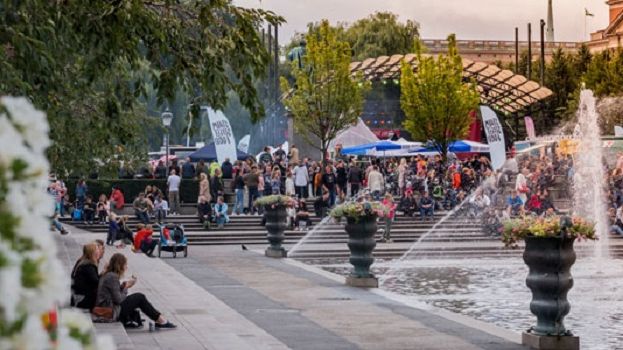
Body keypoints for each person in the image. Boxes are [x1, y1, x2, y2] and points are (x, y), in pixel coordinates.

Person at [96, 253, 176, 329]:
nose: (126, 267)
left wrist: (122, 286)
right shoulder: (112, 277)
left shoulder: (109, 274)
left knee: (139, 298)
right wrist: (126, 287)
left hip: (108, 306)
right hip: (111, 311)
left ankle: (159, 319)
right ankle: (161, 320)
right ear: (120, 266)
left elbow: (113, 293)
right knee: (140, 297)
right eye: (125, 265)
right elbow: (119, 300)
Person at [71, 243, 100, 311]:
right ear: (92, 253)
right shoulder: (88, 266)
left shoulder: (83, 262)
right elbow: (97, 282)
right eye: (97, 249)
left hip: (78, 296)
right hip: (82, 300)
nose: (99, 251)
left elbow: (94, 280)